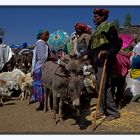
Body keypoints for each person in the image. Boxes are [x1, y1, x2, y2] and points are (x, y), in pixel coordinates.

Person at [89, 8, 121, 121]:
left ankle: (113, 112)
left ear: (102, 17)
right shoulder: (96, 29)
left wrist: (107, 52)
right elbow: (92, 47)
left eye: (96, 16)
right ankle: (102, 109)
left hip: (104, 61)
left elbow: (117, 44)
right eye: (94, 16)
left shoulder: (109, 27)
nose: (94, 18)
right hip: (96, 62)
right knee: (100, 86)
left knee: (104, 86)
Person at [31, 29, 50, 111]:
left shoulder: (44, 44)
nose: (47, 36)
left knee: (43, 86)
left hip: (41, 67)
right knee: (41, 87)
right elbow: (42, 58)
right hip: (40, 68)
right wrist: (51, 57)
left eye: (48, 35)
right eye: (45, 35)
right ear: (40, 36)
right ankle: (42, 104)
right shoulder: (40, 44)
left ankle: (44, 104)